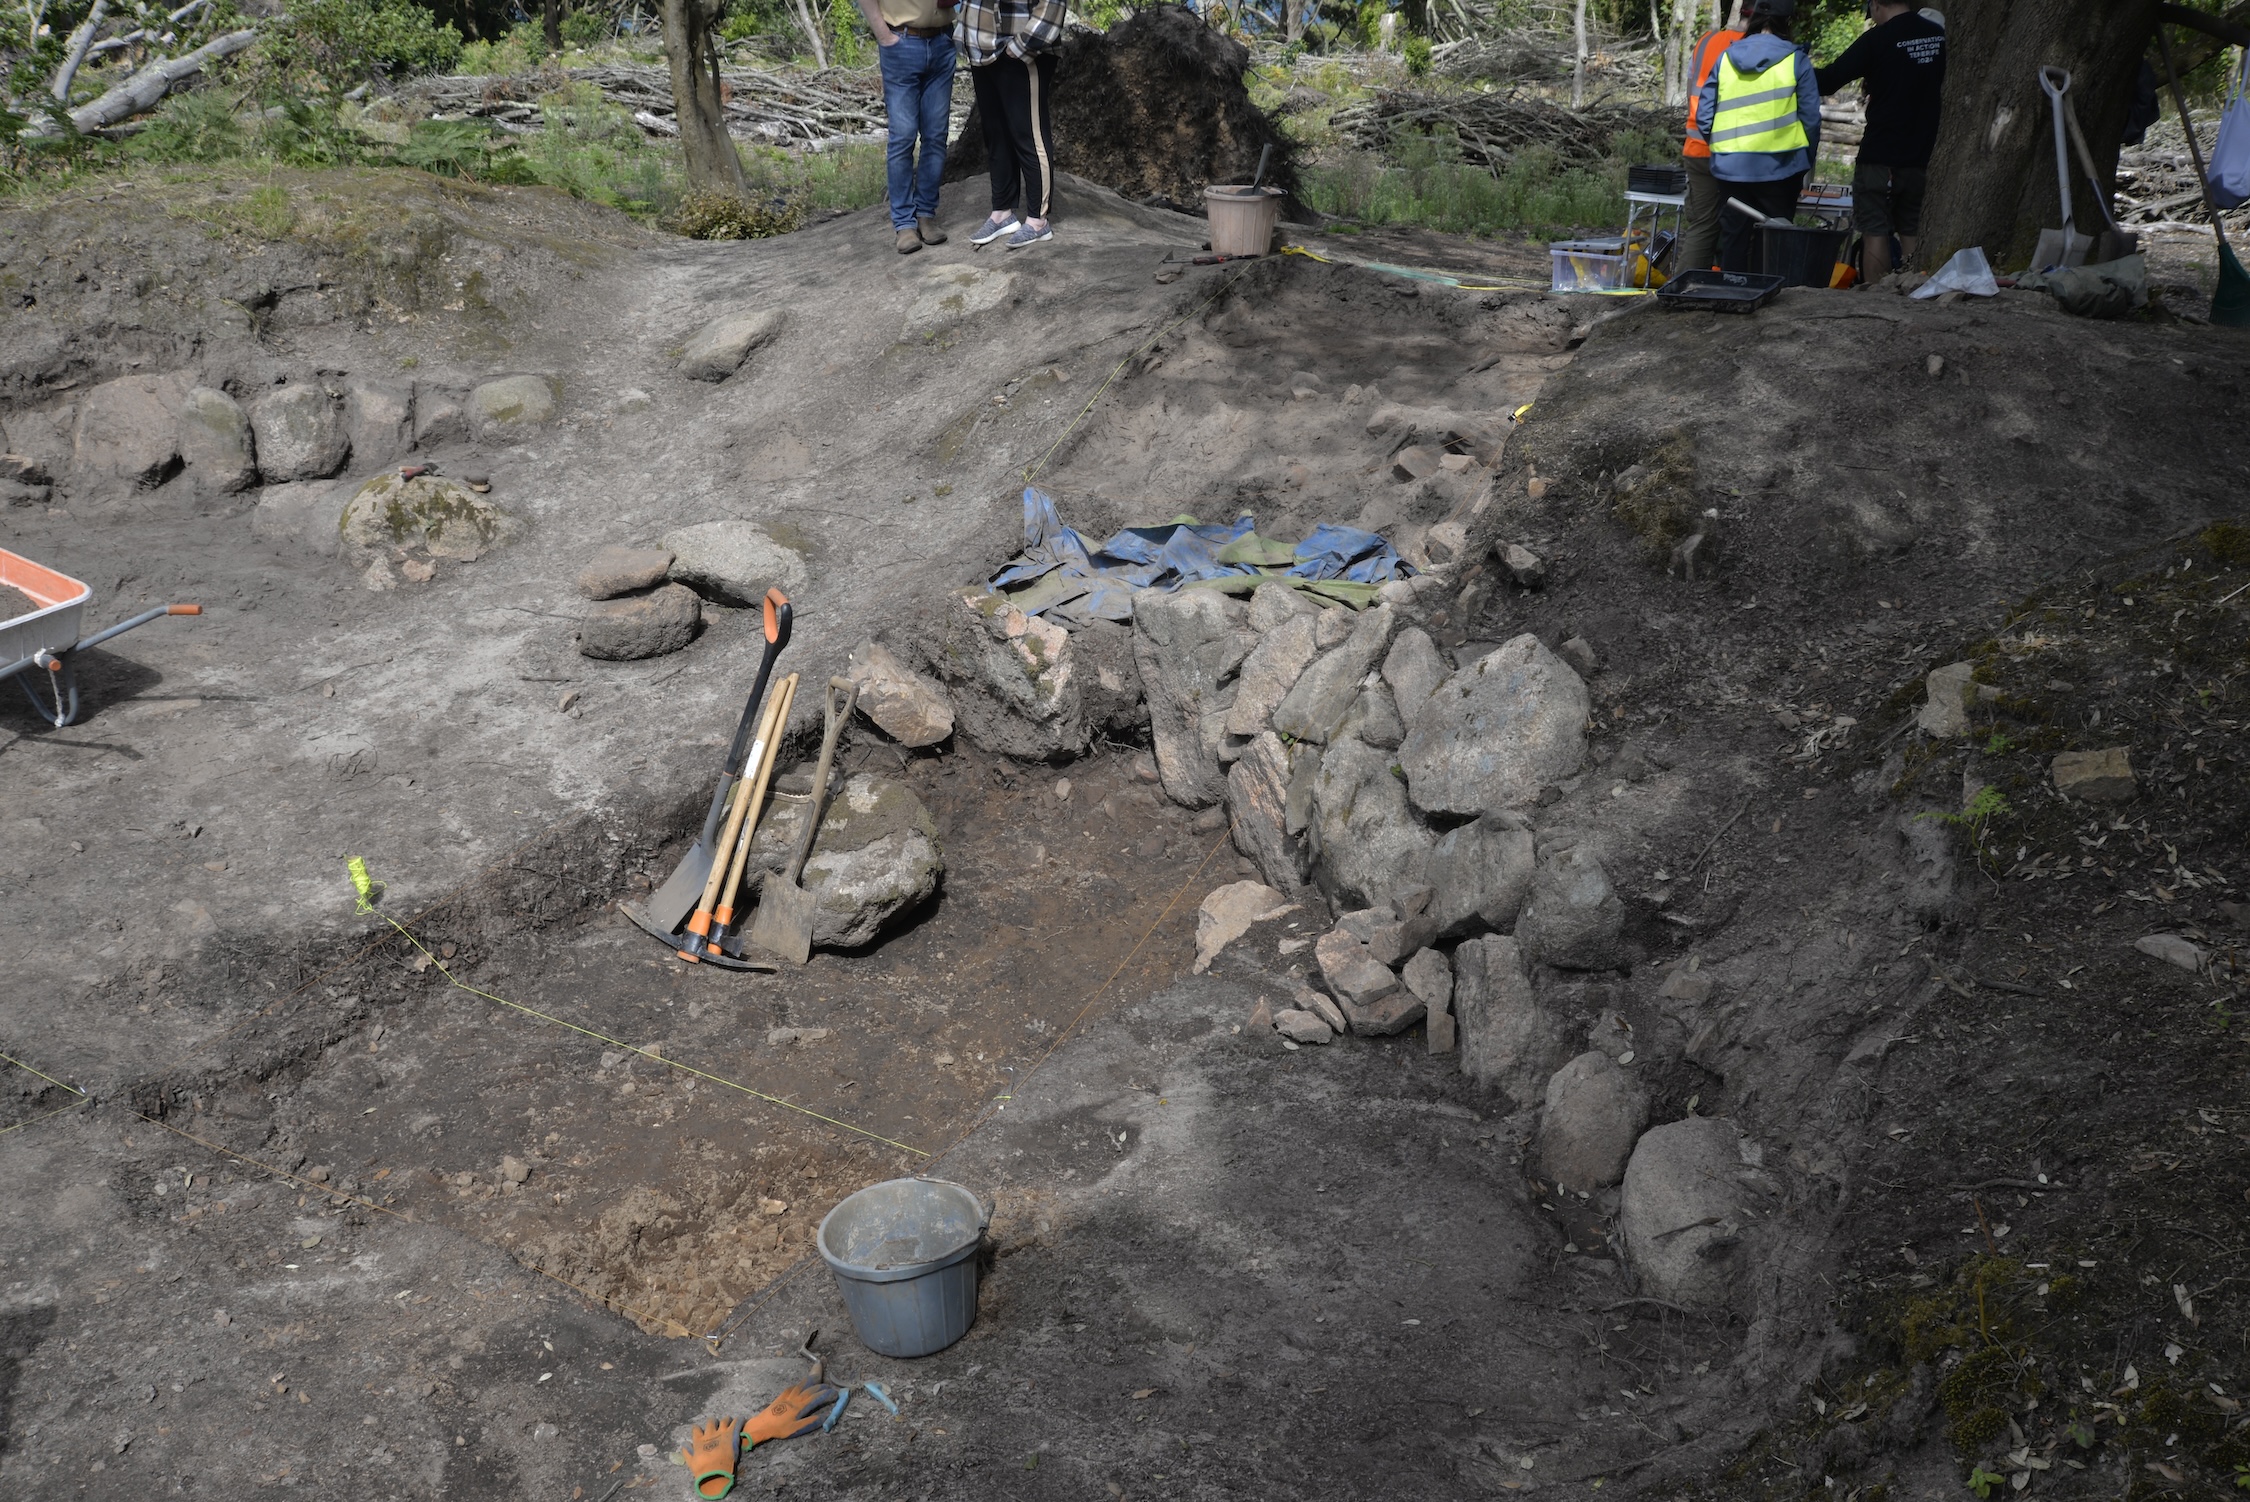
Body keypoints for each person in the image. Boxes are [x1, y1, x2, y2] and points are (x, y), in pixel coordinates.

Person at [1816, 0, 1945, 284]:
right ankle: (1913, 292)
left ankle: (1876, 297)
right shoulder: (1937, 36)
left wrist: (1795, 64)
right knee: (1911, 228)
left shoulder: (1877, 39)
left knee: (1875, 229)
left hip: (1880, 153)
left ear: (1876, 5)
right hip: (1922, 154)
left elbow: (1828, 81)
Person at [1695, 0, 1821, 274]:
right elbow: (1810, 119)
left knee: (1734, 241)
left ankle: (1733, 298)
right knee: (1775, 243)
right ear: (1786, 23)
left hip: (1730, 169)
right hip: (1782, 168)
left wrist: (1723, 150)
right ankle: (1770, 305)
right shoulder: (1796, 59)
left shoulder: (1726, 57)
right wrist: (1804, 160)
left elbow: (1704, 116)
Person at [957, 0, 1069, 249]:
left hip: (1020, 48)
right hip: (980, 46)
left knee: (1029, 134)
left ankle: (1038, 221)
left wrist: (1022, 45)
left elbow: (1053, 4)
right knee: (995, 133)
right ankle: (1002, 214)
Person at [860, 0, 960, 254]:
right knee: (903, 137)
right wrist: (883, 35)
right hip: (902, 41)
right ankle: (904, 224)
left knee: (936, 135)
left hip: (942, 41)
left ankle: (925, 214)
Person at [1679, 3, 1747, 273]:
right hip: (1738, 153)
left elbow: (1690, 92)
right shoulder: (1758, 48)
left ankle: (1683, 291)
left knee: (1702, 227)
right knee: (1741, 227)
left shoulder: (1706, 41)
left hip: (1697, 147)